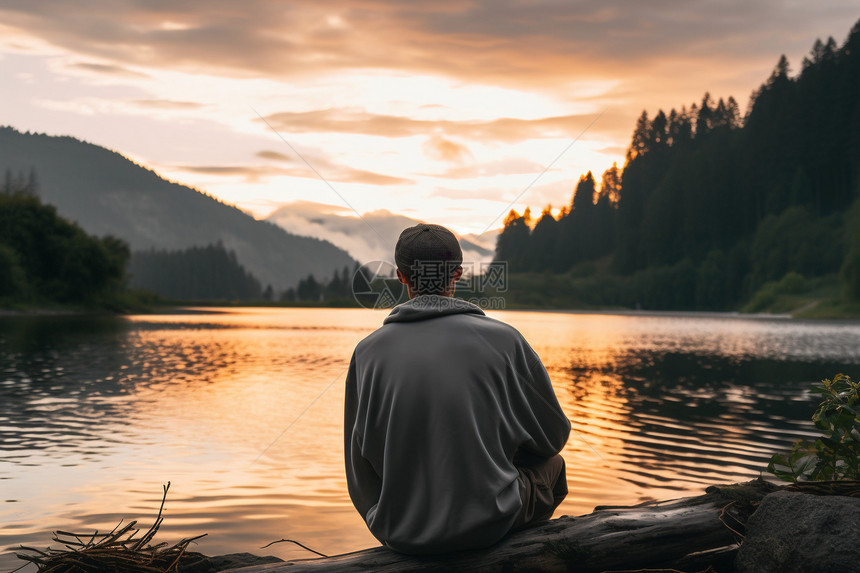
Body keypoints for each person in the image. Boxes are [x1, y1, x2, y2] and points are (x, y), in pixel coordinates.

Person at [344, 223, 571, 555]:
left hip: (400, 533)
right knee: (555, 468)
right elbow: (553, 438)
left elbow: (359, 473)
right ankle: (518, 556)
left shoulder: (366, 353)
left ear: (402, 277)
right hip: (486, 527)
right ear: (459, 273)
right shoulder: (505, 340)